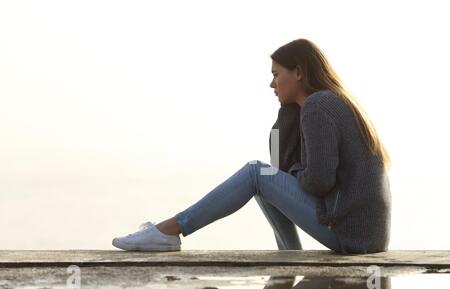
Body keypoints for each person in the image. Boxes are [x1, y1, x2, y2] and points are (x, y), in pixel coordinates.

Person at [112, 38, 392, 254]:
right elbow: (277, 164)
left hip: (353, 235)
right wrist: (287, 112)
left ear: (298, 72)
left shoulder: (319, 106)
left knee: (255, 173)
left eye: (276, 74)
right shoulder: (318, 104)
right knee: (263, 180)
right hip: (364, 235)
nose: (271, 83)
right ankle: (291, 257)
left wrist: (294, 172)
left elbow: (318, 181)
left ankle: (169, 231)